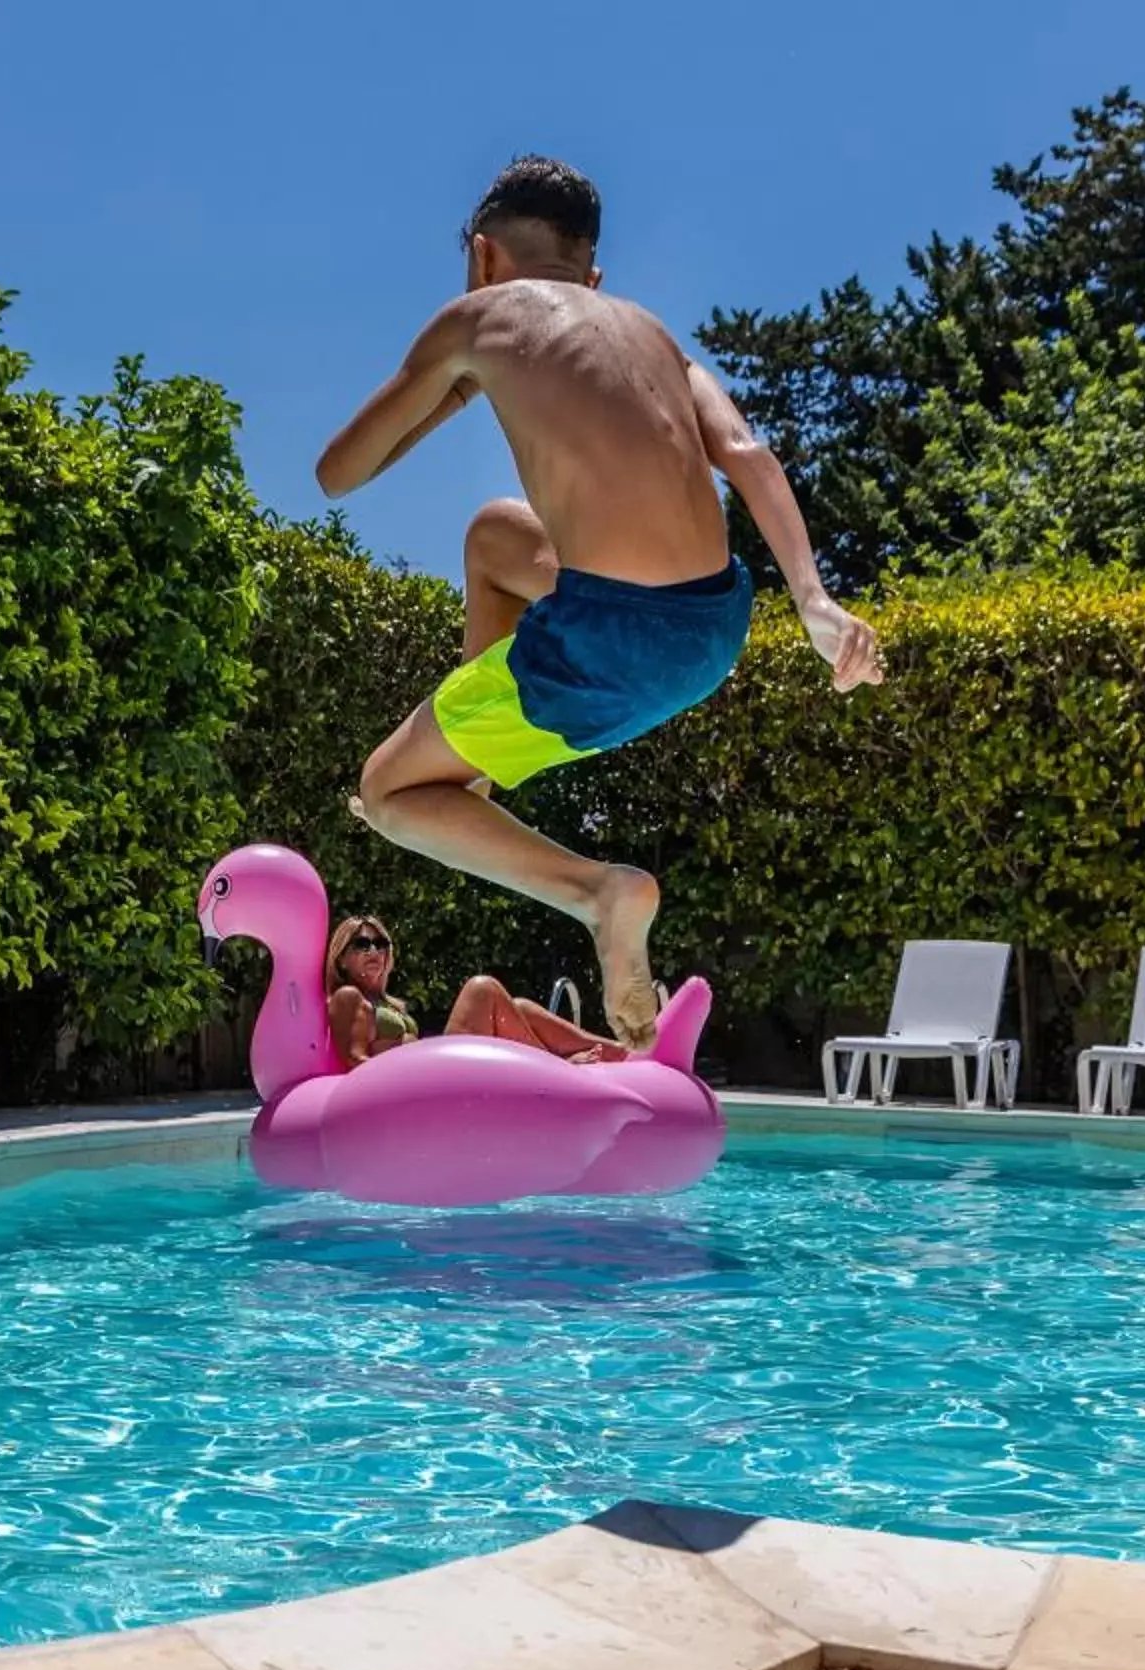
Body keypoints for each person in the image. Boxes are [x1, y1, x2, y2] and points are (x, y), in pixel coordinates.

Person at [317, 156, 884, 1053]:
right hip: (711, 626)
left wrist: (457, 380)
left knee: (386, 792)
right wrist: (813, 602)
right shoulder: (653, 333)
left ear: (483, 255)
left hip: (608, 640)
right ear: (593, 279)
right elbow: (747, 453)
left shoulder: (476, 317)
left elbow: (338, 472)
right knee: (494, 540)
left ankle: (596, 891)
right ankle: (477, 761)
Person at [324, 913, 627, 1071]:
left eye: (381, 944)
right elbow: (355, 1062)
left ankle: (623, 1050)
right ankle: (558, 1068)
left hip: (435, 1070)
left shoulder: (387, 1003)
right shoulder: (349, 997)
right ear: (342, 958)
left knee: (519, 1006)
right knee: (481, 989)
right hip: (429, 1081)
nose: (374, 950)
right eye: (362, 944)